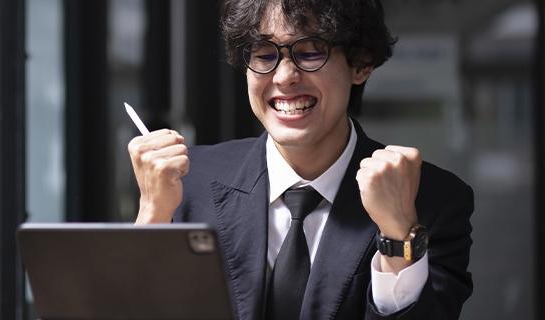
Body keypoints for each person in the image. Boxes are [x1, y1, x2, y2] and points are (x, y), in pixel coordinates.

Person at [127, 0, 473, 319]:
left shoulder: (434, 201)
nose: (284, 77)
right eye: (264, 54)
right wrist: (153, 215)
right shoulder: (187, 182)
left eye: (310, 52)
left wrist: (398, 236)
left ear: (361, 63)